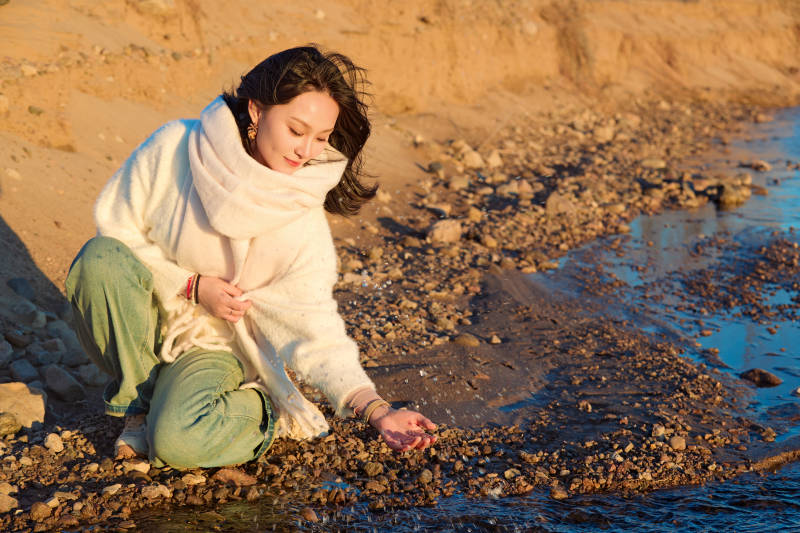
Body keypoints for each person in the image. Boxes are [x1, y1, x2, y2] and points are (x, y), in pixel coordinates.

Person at [65, 45, 437, 469]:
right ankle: (138, 405)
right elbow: (114, 229)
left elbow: (313, 326)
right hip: (141, 326)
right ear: (257, 112)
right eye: (296, 130)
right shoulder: (175, 147)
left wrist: (377, 410)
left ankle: (260, 410)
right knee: (100, 260)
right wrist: (190, 286)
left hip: (212, 347)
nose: (306, 151)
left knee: (177, 445)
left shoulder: (300, 213)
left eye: (321, 138)